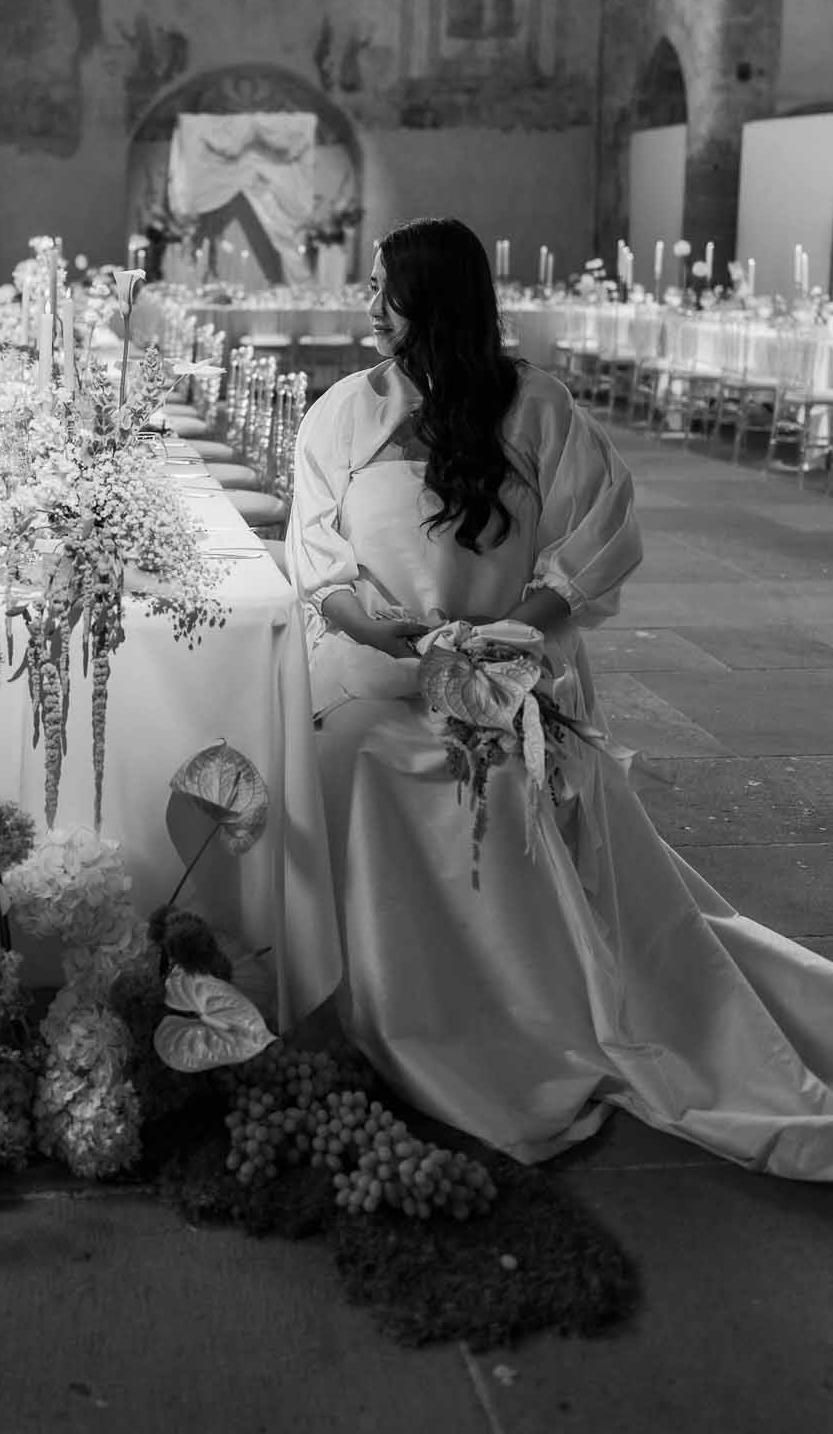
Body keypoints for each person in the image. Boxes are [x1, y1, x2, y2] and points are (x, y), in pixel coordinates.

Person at [286, 216, 833, 1177]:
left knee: (516, 778)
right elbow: (317, 553)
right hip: (380, 677)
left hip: (510, 679)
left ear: (437, 298)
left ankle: (539, 1010)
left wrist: (514, 632)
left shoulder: (536, 407)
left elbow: (601, 535)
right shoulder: (341, 412)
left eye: (384, 288)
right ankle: (398, 1005)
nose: (366, 306)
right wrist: (367, 625)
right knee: (355, 757)